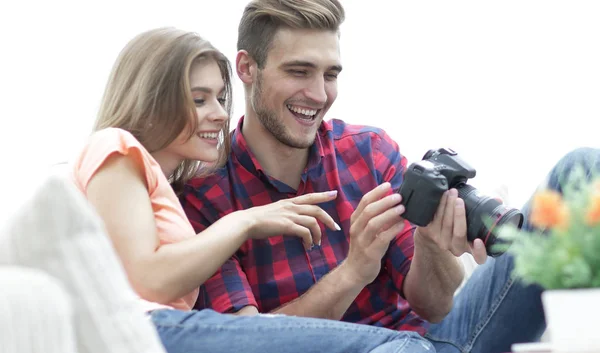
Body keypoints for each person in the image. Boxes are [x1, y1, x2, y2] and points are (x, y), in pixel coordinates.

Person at [181, 1, 546, 352]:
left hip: (437, 340)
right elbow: (249, 344)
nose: (319, 94)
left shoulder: (369, 152)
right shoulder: (202, 197)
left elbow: (435, 308)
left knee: (579, 167)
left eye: (330, 74)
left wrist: (431, 244)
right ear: (246, 68)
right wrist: (354, 271)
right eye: (299, 71)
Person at [68, 26, 435, 353]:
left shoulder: (164, 187)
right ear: (150, 99)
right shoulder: (115, 146)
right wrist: (244, 222)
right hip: (150, 327)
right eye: (199, 99)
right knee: (400, 345)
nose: (219, 113)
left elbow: (249, 332)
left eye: (218, 97)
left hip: (171, 330)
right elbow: (147, 280)